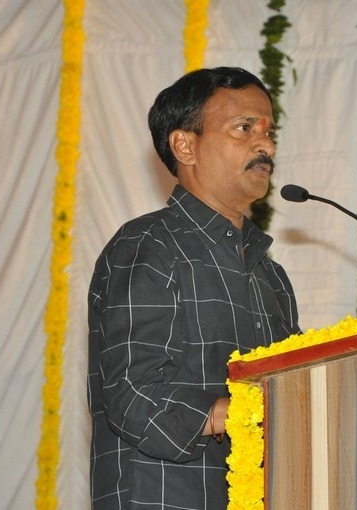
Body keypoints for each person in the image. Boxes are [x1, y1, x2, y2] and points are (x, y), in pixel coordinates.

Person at [87, 67, 301, 509]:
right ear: (185, 146)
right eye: (244, 128)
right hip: (165, 496)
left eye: (268, 132)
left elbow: (297, 386)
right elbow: (133, 393)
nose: (266, 145)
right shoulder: (149, 244)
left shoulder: (269, 274)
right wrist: (244, 410)